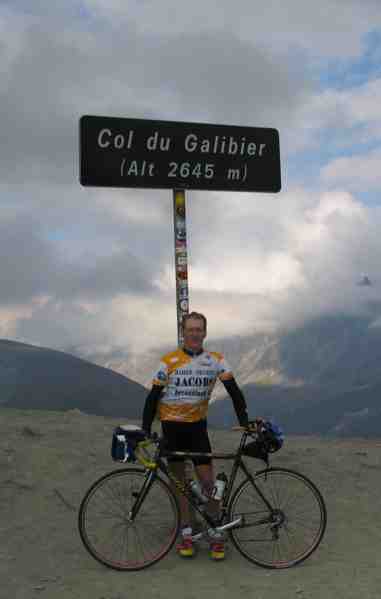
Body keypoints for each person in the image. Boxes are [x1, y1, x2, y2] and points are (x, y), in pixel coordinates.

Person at [142, 311, 251, 561]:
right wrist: (146, 428)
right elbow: (152, 397)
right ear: (184, 332)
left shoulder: (216, 360)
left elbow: (234, 391)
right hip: (171, 429)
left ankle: (216, 532)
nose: (194, 333)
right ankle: (187, 531)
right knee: (178, 484)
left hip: (197, 429)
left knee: (208, 483)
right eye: (190, 329)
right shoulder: (168, 361)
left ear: (204, 332)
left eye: (198, 329)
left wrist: (244, 420)